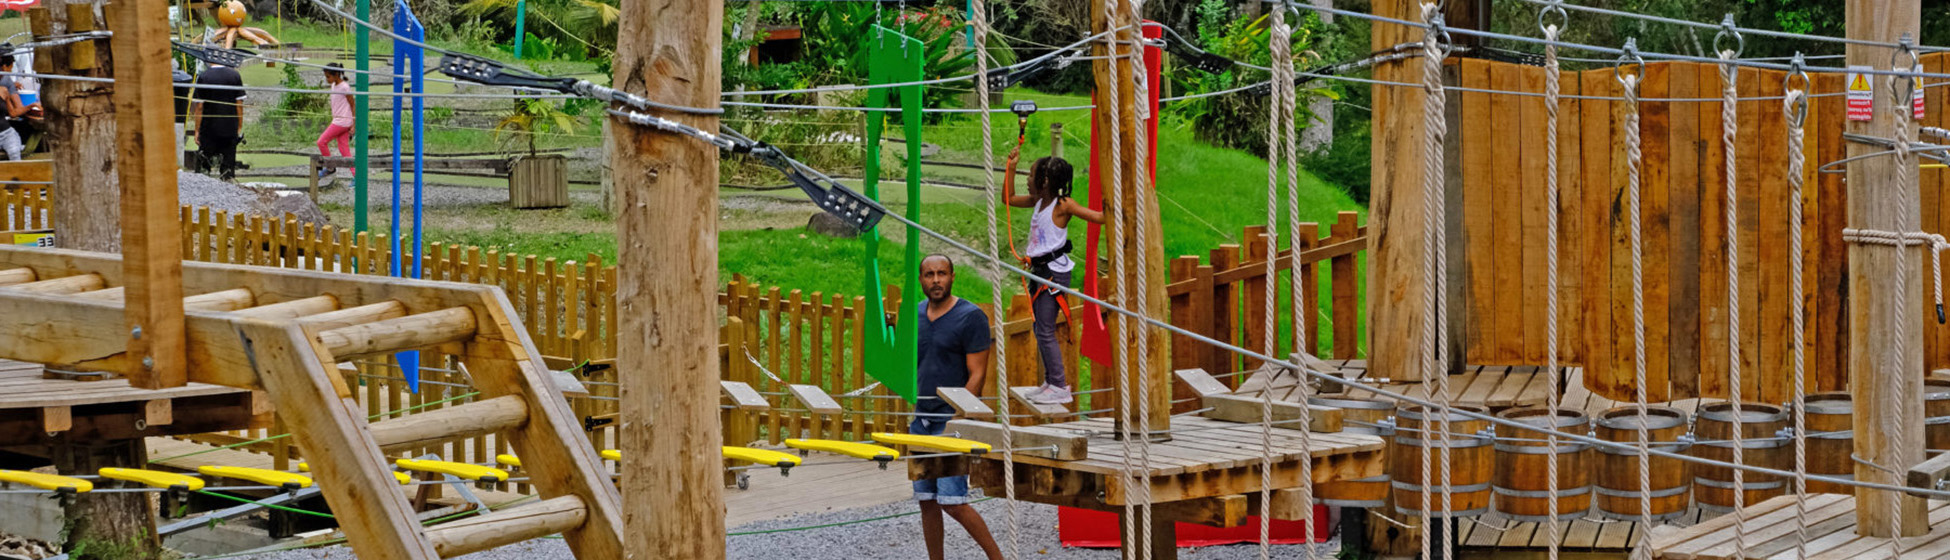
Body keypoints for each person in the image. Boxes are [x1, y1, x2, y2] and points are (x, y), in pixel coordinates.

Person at [912, 254, 1005, 560]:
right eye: (929, 274)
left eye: (941, 273)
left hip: (950, 419)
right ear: (921, 279)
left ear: (953, 276)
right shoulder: (915, 315)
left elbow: (978, 371)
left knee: (952, 501)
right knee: (926, 500)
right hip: (920, 419)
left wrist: (959, 417)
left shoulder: (970, 316)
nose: (935, 280)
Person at [1000, 147, 1104, 405]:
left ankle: (1059, 385)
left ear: (1044, 181)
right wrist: (1011, 167)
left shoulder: (1062, 205)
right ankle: (1051, 381)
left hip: (1054, 275)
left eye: (1030, 173)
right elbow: (1008, 199)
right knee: (1039, 327)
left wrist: (1113, 200)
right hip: (1039, 272)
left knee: (1045, 329)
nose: (1027, 178)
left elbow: (1099, 218)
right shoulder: (1038, 202)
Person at [189, 63, 246, 181]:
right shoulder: (234, 75)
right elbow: (239, 105)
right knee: (228, 164)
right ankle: (227, 183)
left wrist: (197, 130)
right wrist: (239, 126)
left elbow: (199, 106)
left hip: (208, 128)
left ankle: (203, 184)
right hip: (229, 127)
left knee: (205, 163)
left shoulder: (204, 76)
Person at [316, 63, 354, 178]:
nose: (327, 79)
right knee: (344, 150)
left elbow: (353, 104)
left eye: (328, 77)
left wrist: (354, 125)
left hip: (342, 122)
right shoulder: (333, 85)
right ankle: (356, 176)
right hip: (338, 120)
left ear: (336, 74)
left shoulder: (345, 87)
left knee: (321, 142)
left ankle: (330, 167)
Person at [0, 54, 35, 161]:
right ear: (4, 67)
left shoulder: (4, 89)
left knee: (15, 154)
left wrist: (32, 106)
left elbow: (13, 113)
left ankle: (17, 177)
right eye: (10, 67)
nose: (10, 72)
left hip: (6, 134)